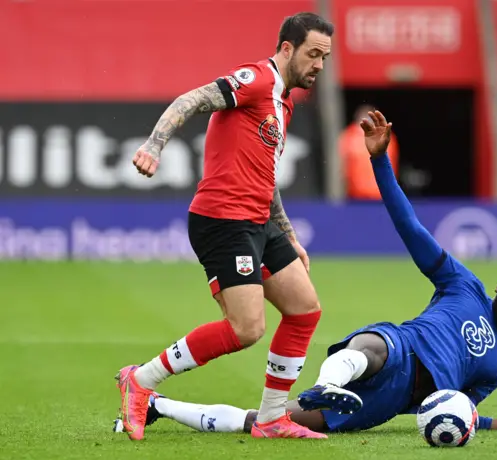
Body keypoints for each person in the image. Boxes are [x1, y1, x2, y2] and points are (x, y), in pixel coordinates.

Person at [114, 109, 497, 436]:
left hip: (385, 404)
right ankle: (330, 384)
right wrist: (379, 162)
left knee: (267, 423)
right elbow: (409, 226)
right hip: (401, 348)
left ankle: (160, 407)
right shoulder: (462, 284)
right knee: (372, 346)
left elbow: (462, 412)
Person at [116, 12, 334, 441]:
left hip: (259, 221)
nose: (319, 66)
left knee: (304, 309)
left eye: (324, 58)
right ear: (287, 49)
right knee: (246, 328)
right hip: (223, 220)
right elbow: (191, 100)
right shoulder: (255, 80)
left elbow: (265, 175)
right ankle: (140, 380)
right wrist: (153, 145)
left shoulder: (283, 102)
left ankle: (271, 419)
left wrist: (287, 233)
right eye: (313, 54)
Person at [339, 104, 400, 201]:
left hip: (382, 192)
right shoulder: (348, 136)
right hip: (356, 195)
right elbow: (343, 166)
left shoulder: (387, 136)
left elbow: (392, 163)